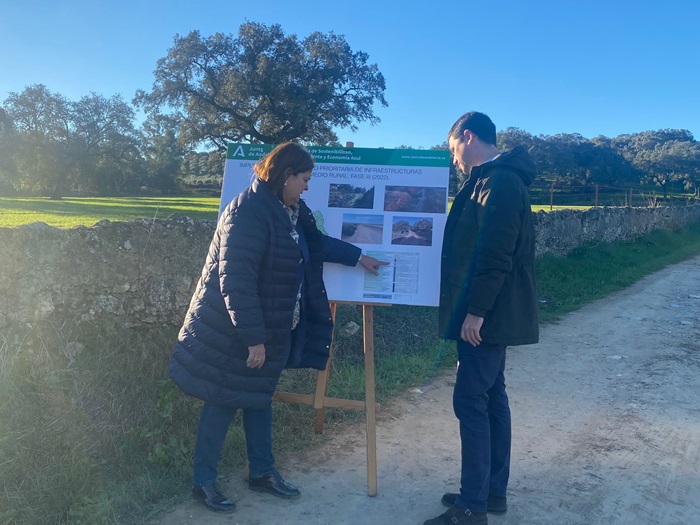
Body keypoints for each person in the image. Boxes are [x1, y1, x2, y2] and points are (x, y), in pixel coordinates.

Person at [168, 142, 388, 514]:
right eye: (304, 179)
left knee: (258, 398)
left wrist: (359, 257)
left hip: (267, 327)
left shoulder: (289, 209)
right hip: (233, 330)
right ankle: (203, 481)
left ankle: (262, 472)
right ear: (285, 175)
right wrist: (254, 339)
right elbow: (235, 281)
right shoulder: (247, 213)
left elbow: (316, 245)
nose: (307, 187)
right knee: (222, 401)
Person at [424, 112, 539, 525]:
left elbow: (495, 255)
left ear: (468, 138)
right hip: (490, 312)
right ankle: (489, 492)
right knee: (491, 397)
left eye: (454, 150)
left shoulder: (500, 182)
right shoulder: (493, 179)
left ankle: (472, 506)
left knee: (470, 400)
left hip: (486, 315)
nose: (455, 160)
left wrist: (476, 313)